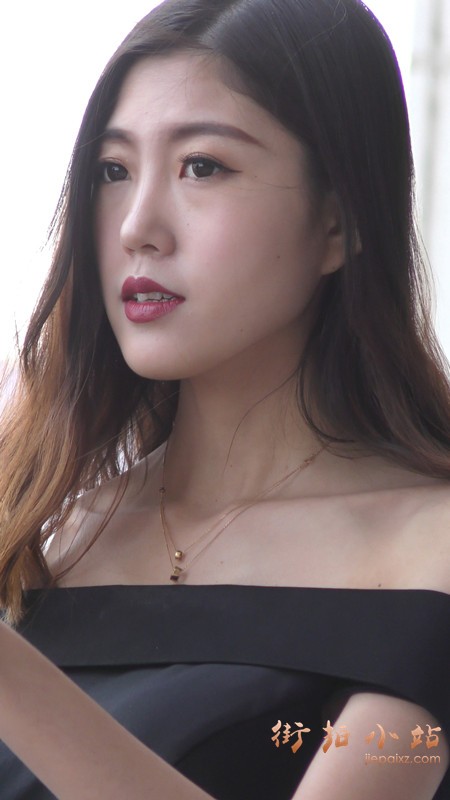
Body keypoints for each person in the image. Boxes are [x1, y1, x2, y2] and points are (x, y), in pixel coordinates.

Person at [0, 0, 449, 797]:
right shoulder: (45, 530)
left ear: (340, 222)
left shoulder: (429, 551)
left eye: (202, 166)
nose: (138, 227)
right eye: (113, 171)